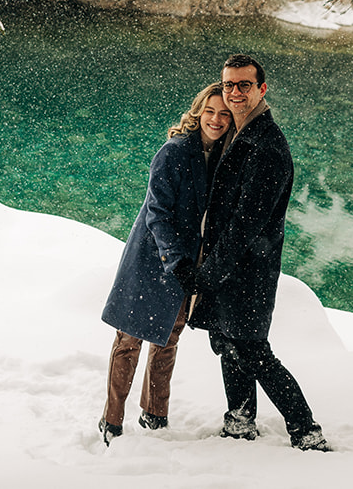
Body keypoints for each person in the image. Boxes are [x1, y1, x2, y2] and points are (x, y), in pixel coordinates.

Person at [187, 53, 330, 452]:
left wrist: (208, 273)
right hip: (229, 265)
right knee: (227, 342)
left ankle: (306, 430)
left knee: (251, 349)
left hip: (248, 270)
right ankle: (240, 421)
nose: (234, 92)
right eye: (229, 84)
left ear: (261, 89)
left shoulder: (266, 145)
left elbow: (246, 224)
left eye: (243, 85)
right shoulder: (238, 132)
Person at [97, 83, 233, 445]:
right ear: (198, 111)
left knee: (168, 338)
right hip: (152, 257)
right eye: (210, 111)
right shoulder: (173, 152)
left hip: (186, 260)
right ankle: (111, 420)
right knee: (130, 339)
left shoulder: (223, 156)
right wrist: (177, 260)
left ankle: (155, 414)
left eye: (224, 114)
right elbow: (157, 213)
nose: (216, 120)